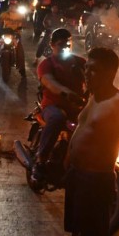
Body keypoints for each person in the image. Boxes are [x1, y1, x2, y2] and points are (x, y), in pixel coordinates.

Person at [64, 47, 119, 236]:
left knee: (94, 233)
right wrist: (68, 157)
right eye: (86, 68)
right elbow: (83, 129)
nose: (87, 74)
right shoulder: (93, 96)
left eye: (94, 70)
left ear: (110, 73)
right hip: (77, 176)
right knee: (77, 231)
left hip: (96, 181)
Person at [32, 28, 87, 183]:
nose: (64, 47)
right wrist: (67, 93)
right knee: (57, 118)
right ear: (52, 45)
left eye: (67, 44)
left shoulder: (80, 62)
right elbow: (50, 82)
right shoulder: (47, 64)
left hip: (78, 107)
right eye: (60, 44)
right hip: (53, 106)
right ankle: (40, 162)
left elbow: (93, 79)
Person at [0, 0, 27, 77]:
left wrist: (22, 26)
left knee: (20, 50)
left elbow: (24, 23)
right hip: (5, 34)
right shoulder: (4, 14)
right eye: (10, 6)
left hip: (15, 34)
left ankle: (22, 68)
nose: (12, 8)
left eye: (14, 6)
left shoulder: (20, 15)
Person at [33, 0, 65, 65]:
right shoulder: (48, 15)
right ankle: (36, 59)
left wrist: (62, 27)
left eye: (56, 8)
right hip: (49, 32)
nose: (55, 9)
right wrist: (47, 27)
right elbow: (44, 22)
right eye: (53, 8)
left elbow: (63, 23)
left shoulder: (60, 16)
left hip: (58, 34)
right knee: (42, 44)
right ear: (51, 9)